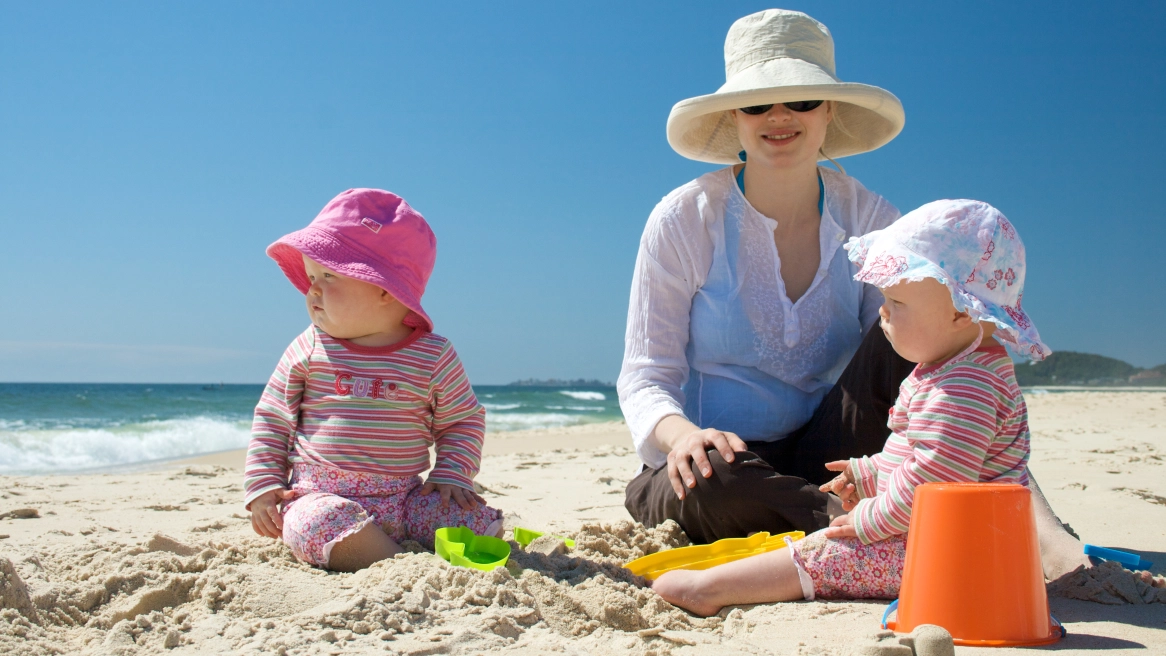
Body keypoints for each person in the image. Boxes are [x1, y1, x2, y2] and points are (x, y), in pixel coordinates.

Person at [619, 8, 1089, 580]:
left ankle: (1025, 519)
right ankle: (879, 527)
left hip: (838, 448)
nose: (779, 117)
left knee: (929, 323)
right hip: (719, 463)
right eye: (757, 103)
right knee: (712, 482)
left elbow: (935, 354)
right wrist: (685, 436)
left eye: (801, 100)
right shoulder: (683, 219)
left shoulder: (870, 216)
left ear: (829, 110)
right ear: (735, 119)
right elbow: (646, 376)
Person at [653, 199, 1047, 614]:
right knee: (829, 541)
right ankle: (726, 581)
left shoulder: (965, 387)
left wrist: (869, 521)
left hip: (959, 555)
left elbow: (936, 483)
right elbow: (921, 456)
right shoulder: (958, 368)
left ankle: (712, 590)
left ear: (961, 313)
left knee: (827, 552)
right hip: (959, 541)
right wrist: (871, 471)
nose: (883, 312)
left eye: (897, 302)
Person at [243, 188, 502, 572]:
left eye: (328, 276)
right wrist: (264, 486)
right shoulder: (309, 346)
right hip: (320, 495)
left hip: (405, 499)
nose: (312, 290)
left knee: (478, 520)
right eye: (311, 276)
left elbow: (460, 420)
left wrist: (451, 473)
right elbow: (273, 418)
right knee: (311, 526)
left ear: (384, 288)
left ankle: (390, 549)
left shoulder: (432, 355)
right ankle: (395, 563)